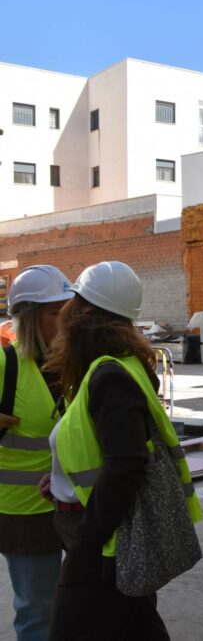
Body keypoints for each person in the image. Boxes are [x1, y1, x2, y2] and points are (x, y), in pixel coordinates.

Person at [47, 261, 202, 640]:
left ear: (82, 315)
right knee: (139, 628)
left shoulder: (109, 376)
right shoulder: (121, 366)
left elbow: (126, 466)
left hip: (108, 545)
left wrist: (89, 539)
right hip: (113, 539)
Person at [0, 266, 72, 641]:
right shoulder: (5, 365)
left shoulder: (75, 363)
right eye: (53, 312)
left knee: (74, 604)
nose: (65, 319)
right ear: (28, 318)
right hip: (24, 513)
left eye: (67, 308)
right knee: (36, 610)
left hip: (76, 504)